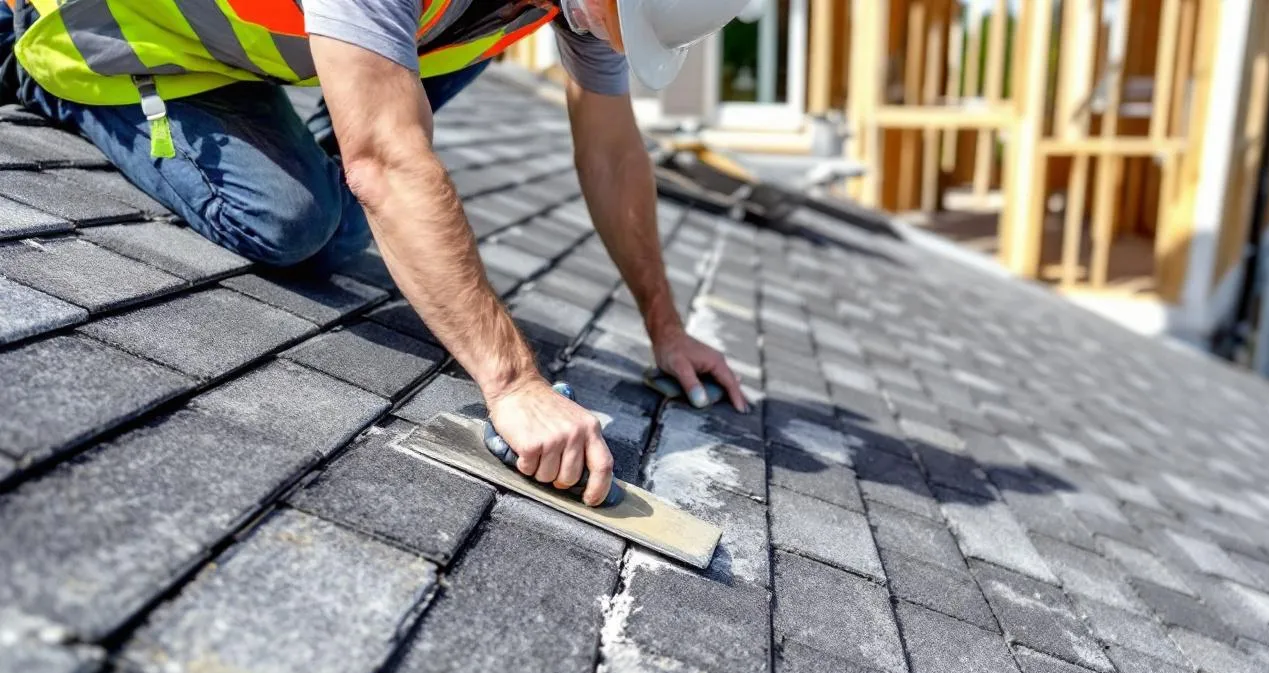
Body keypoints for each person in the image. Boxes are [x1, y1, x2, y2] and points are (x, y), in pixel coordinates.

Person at [0, 0, 751, 506]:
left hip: (240, 51)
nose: (618, 41)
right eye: (626, 20)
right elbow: (384, 166)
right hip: (104, 29)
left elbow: (614, 151)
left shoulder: (569, 4)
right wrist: (515, 383)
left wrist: (666, 326)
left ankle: (351, 142)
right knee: (296, 226)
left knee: (356, 215)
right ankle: (25, 56)